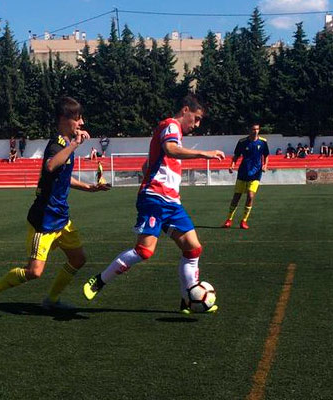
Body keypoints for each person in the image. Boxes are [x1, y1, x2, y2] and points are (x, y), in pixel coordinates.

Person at [81, 94, 225, 314]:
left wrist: (152, 171)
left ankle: (188, 298)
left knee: (193, 248)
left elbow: (148, 163)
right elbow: (170, 149)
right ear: (185, 110)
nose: (196, 125)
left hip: (171, 202)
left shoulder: (173, 133)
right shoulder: (171, 126)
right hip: (155, 198)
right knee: (144, 252)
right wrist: (204, 154)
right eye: (195, 119)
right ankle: (99, 280)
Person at [0, 97, 110, 318]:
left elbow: (62, 177)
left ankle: (52, 300)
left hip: (61, 218)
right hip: (45, 220)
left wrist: (89, 187)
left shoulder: (66, 145)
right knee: (34, 272)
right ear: (63, 119)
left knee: (78, 259)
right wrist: (75, 144)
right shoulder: (57, 144)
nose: (81, 123)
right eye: (77, 119)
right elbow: (50, 166)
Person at [222, 123, 269, 230]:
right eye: (253, 129)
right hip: (243, 172)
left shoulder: (263, 142)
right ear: (249, 130)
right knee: (236, 197)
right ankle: (229, 219)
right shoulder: (242, 142)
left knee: (250, 196)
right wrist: (232, 165)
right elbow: (236, 156)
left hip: (256, 173)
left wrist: (265, 165)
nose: (256, 131)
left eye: (257, 129)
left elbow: (266, 155)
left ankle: (244, 221)